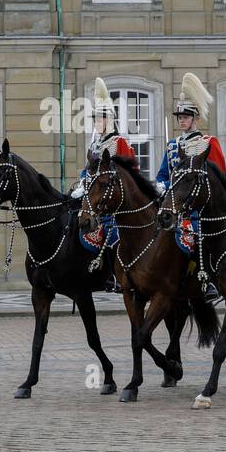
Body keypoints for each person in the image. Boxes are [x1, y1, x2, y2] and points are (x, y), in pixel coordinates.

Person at [154, 72, 226, 300]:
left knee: (201, 235)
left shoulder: (207, 143)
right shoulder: (172, 146)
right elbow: (163, 173)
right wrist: (161, 185)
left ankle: (208, 280)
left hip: (198, 205)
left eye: (186, 117)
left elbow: (219, 177)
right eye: (179, 117)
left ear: (195, 118)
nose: (182, 121)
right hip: (175, 203)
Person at [70, 77, 137, 292]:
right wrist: (81, 183)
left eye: (100, 119)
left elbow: (130, 173)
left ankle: (115, 276)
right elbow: (87, 171)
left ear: (110, 120)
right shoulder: (95, 146)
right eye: (96, 119)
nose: (97, 123)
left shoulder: (119, 143)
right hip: (96, 199)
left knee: (114, 233)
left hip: (115, 202)